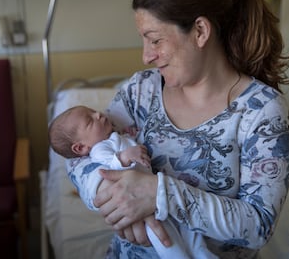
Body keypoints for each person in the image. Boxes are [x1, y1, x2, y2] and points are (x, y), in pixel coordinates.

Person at [66, 0, 289, 259]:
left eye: (155, 40)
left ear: (200, 31)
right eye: (144, 41)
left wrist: (157, 194)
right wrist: (113, 198)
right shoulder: (141, 91)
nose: (147, 56)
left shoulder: (261, 112)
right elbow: (78, 155)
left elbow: (258, 226)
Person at [48, 105, 218, 259]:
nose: (98, 114)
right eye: (89, 120)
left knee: (188, 230)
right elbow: (108, 163)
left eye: (94, 111)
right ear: (80, 148)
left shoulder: (114, 135)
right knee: (165, 239)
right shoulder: (99, 149)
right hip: (139, 208)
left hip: (156, 194)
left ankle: (203, 253)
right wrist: (125, 157)